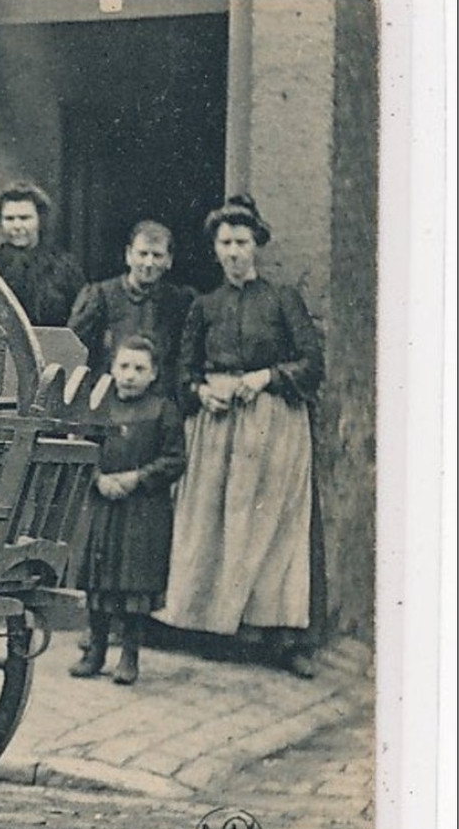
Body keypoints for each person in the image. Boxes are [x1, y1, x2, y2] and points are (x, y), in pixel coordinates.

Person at [156, 195, 326, 678]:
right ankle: (211, 628)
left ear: (258, 247)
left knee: (272, 526)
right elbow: (182, 371)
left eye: (242, 243)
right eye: (225, 244)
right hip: (215, 428)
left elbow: (312, 365)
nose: (234, 252)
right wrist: (199, 390)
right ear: (215, 250)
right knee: (212, 522)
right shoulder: (205, 306)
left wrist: (266, 376)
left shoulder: (281, 299)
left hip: (272, 424)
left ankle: (279, 636)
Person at [69, 335, 187, 685]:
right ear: (112, 368)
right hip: (104, 506)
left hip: (143, 512)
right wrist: (97, 478)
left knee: (133, 584)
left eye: (140, 368)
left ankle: (129, 656)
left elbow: (175, 459)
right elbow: (84, 447)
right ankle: (95, 652)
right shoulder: (100, 406)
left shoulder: (163, 410)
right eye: (124, 366)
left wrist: (137, 478)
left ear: (153, 374)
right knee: (99, 580)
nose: (130, 375)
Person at [67, 220, 195, 382]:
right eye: (142, 254)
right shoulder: (100, 296)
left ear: (169, 260)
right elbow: (74, 352)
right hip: (108, 395)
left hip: (160, 398)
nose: (149, 263)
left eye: (157, 255)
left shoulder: (180, 301)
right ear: (128, 255)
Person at [0, 181, 86, 327]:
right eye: (9, 218)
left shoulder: (65, 267)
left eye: (24, 218)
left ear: (40, 220)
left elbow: (80, 322)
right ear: (0, 222)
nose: (17, 226)